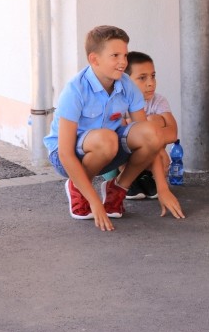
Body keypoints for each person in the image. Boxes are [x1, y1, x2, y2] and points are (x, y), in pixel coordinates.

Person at [43, 26, 183, 231]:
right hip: (66, 156)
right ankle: (78, 187)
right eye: (115, 56)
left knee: (152, 132)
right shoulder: (75, 90)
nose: (123, 62)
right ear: (94, 59)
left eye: (125, 55)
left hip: (109, 150)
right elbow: (64, 153)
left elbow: (148, 137)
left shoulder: (127, 85)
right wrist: (94, 201)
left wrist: (163, 188)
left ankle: (117, 188)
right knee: (106, 139)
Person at [123, 51, 178, 200]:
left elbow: (173, 133)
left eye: (153, 76)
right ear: (126, 81)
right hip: (122, 160)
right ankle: (126, 179)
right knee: (133, 129)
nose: (150, 83)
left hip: (147, 154)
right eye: (142, 78)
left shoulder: (158, 101)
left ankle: (145, 177)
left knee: (153, 121)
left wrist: (156, 145)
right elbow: (121, 136)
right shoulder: (120, 101)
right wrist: (157, 146)